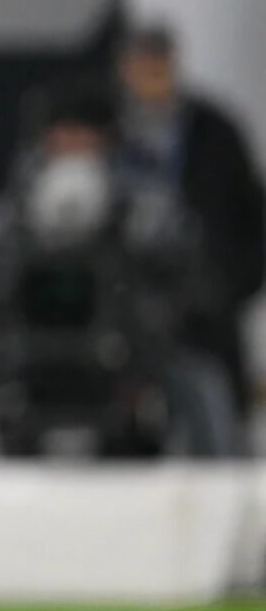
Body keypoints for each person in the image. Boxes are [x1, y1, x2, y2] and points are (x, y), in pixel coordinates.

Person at [113, 24, 263, 402]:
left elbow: (251, 210)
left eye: (158, 66)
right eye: (142, 66)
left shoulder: (214, 129)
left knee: (215, 395)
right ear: (124, 68)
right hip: (121, 289)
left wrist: (237, 283)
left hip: (204, 293)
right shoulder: (107, 129)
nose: (151, 77)